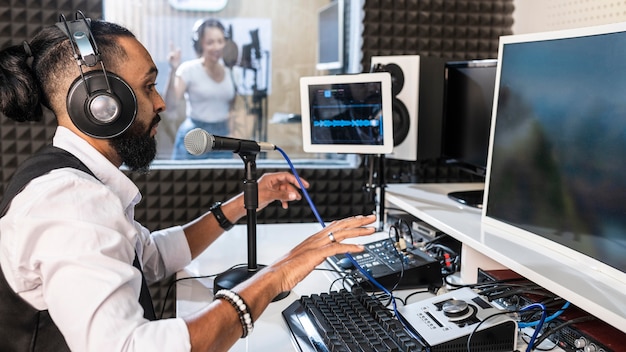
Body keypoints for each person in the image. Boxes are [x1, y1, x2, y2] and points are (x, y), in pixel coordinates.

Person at [0, 14, 376, 351]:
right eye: (148, 87)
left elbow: (152, 258)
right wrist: (279, 273)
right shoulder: (71, 203)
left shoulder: (73, 180)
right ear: (101, 105)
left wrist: (249, 199)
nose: (161, 102)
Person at [165, 18, 244, 160]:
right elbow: (171, 105)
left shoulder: (233, 72)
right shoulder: (188, 69)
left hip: (223, 138)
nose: (217, 47)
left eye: (220, 41)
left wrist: (234, 134)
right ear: (200, 45)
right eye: (210, 42)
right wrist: (173, 70)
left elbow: (232, 108)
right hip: (194, 137)